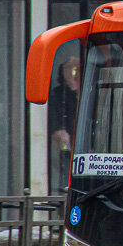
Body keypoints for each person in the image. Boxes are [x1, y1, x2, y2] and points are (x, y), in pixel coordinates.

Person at [49, 56, 80, 191]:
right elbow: (54, 116)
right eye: (70, 69)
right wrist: (58, 130)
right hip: (66, 138)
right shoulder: (58, 93)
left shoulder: (83, 92)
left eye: (76, 69)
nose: (73, 72)